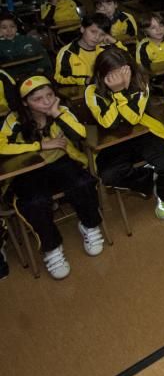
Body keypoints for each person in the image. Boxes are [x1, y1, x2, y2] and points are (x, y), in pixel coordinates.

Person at [0, 76, 104, 279]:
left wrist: (56, 114)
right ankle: (52, 247)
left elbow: (81, 134)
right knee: (34, 202)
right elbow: (1, 146)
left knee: (83, 182)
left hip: (60, 162)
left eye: (49, 95)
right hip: (28, 169)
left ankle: (89, 225)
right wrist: (39, 145)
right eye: (38, 99)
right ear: (24, 103)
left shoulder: (61, 111)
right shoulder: (14, 120)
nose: (47, 102)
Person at [85, 48, 164, 220]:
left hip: (143, 131)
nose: (120, 78)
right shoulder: (91, 91)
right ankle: (151, 180)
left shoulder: (140, 82)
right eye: (113, 74)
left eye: (123, 72)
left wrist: (121, 92)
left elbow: (133, 118)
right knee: (110, 175)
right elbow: (109, 123)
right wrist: (117, 92)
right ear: (102, 75)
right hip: (111, 140)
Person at [55, 14, 127, 86]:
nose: (97, 37)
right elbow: (59, 78)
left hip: (104, 89)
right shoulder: (68, 52)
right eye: (93, 32)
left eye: (102, 34)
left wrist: (114, 41)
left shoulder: (105, 48)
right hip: (82, 91)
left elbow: (126, 58)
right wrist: (84, 80)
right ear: (82, 29)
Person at [0, 11, 52, 77]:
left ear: (16, 28)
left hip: (35, 74)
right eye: (4, 28)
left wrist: (41, 70)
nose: (9, 30)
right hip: (12, 77)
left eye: (12, 26)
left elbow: (42, 54)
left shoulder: (28, 40)